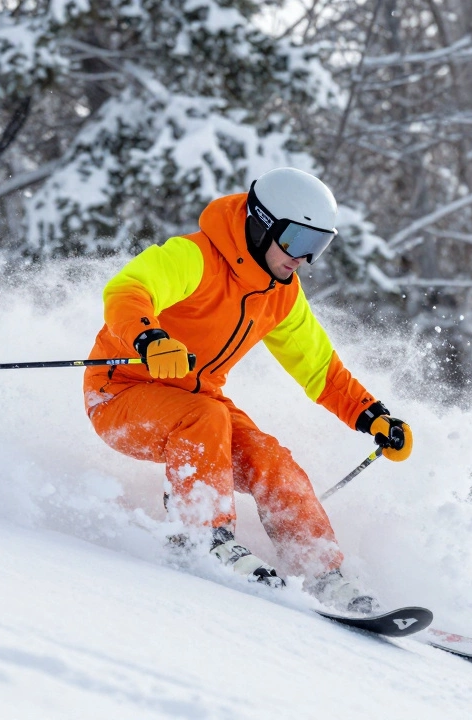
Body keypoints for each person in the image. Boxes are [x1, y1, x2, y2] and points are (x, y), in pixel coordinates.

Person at [82, 167, 412, 613]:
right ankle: (201, 535)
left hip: (199, 404)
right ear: (262, 223)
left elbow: (320, 369)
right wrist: (149, 338)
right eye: (296, 241)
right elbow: (128, 290)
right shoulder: (194, 257)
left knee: (272, 459)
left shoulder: (281, 294)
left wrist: (372, 414)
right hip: (120, 393)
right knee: (206, 417)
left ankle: (322, 571)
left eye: (318, 246)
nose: (303, 259)